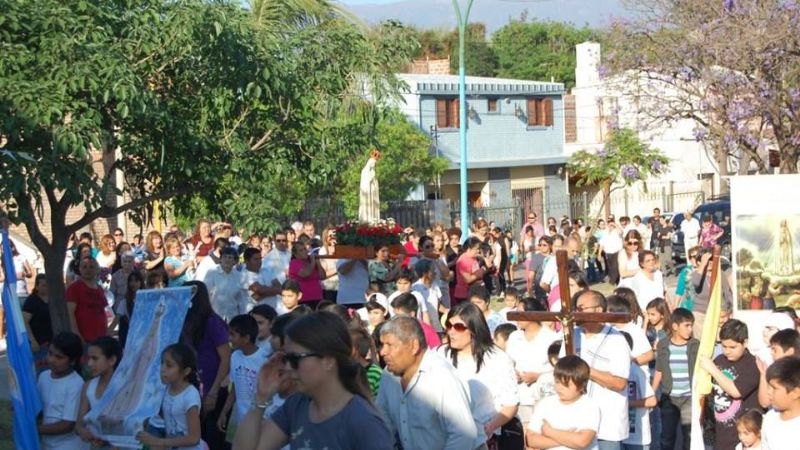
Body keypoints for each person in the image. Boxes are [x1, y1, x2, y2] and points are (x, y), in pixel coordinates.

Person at [233, 312, 394, 450]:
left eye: (295, 359)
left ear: (328, 360)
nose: (287, 367)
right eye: (285, 358)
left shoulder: (363, 421)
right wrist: (261, 397)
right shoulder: (297, 405)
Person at [376, 315, 481, 450]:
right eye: (382, 345)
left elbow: (464, 435)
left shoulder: (441, 377)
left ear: (414, 346)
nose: (383, 352)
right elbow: (383, 423)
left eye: (390, 345)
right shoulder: (388, 375)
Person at [439, 302, 520, 449]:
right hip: (448, 435)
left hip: (485, 435)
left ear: (474, 329)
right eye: (449, 326)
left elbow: (511, 404)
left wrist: (490, 427)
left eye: (458, 327)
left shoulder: (498, 359)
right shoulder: (440, 355)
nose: (451, 332)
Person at [570, 290, 631, 449]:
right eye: (576, 308)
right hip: (576, 422)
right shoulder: (571, 336)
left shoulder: (617, 339)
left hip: (607, 423)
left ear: (598, 310)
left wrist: (585, 370)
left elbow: (619, 383)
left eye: (582, 308)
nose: (577, 312)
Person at [181, 281, 231, 450]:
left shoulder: (212, 322)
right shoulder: (185, 320)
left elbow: (226, 358)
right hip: (193, 387)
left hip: (212, 389)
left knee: (212, 439)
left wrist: (214, 392)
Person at [699, 319, 760, 450]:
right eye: (724, 346)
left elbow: (735, 391)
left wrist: (712, 369)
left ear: (745, 342)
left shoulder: (752, 364)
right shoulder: (719, 360)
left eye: (732, 347)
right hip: (720, 434)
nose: (727, 351)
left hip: (741, 437)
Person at [526, 355, 601, 450]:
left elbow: (582, 441)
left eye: (566, 384)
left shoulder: (590, 406)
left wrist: (549, 432)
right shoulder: (545, 404)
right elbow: (531, 439)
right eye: (557, 382)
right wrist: (568, 438)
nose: (560, 387)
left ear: (582, 385)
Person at [137, 343, 204, 449]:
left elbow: (194, 438)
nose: (162, 369)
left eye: (169, 365)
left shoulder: (190, 396)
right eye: (162, 363)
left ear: (186, 371)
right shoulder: (166, 389)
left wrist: (159, 441)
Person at [505, 298, 559, 425]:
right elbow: (508, 362)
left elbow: (559, 369)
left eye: (520, 313)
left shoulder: (551, 338)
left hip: (544, 395)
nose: (517, 317)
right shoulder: (514, 337)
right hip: (520, 396)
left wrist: (538, 376)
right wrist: (514, 373)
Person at [651, 308, 697, 450]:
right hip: (669, 398)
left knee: (688, 435)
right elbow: (659, 369)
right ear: (675, 326)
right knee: (667, 436)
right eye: (686, 325)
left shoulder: (695, 345)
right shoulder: (663, 345)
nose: (690, 329)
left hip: (689, 397)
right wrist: (652, 392)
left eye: (691, 325)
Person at [218, 315, 270, 439]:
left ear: (246, 338)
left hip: (261, 422)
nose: (229, 338)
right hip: (242, 421)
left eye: (232, 334)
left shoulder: (264, 360)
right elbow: (235, 388)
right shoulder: (235, 356)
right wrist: (224, 412)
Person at [37, 331, 85, 450]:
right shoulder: (43, 376)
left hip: (69, 445)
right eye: (50, 353)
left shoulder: (76, 384)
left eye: (59, 357)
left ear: (72, 361)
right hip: (47, 443)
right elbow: (38, 408)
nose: (51, 359)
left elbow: (68, 424)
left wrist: (34, 430)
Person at [76, 336, 122, 447]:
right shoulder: (88, 386)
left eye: (95, 358)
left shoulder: (124, 387)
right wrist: (84, 433)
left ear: (112, 360)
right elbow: (78, 424)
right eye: (89, 358)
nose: (89, 363)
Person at [761, 356, 800, 450]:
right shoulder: (770, 418)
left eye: (774, 388)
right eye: (768, 386)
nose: (768, 392)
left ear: (795, 393)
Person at [66, 257, 108, 343]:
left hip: (101, 337)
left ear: (97, 269)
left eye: (91, 267)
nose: (88, 270)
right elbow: (70, 313)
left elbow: (103, 311)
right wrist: (77, 335)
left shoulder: (100, 289)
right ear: (79, 269)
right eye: (84, 267)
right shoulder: (74, 288)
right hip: (84, 338)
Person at [205, 246, 249, 321]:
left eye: (230, 257)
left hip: (232, 316)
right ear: (221, 259)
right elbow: (206, 294)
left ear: (235, 261)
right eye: (224, 257)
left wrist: (242, 317)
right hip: (214, 315)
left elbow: (242, 300)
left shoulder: (239, 276)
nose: (227, 260)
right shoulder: (212, 273)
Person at [23, 273, 52, 370]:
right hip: (39, 342)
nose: (46, 287)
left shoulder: (53, 298)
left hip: (52, 340)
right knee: (42, 369)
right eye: (43, 285)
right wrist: (33, 341)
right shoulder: (31, 301)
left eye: (48, 285)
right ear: (37, 286)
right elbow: (25, 321)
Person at [412, 258, 444, 333]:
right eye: (432, 270)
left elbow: (438, 305)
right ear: (425, 273)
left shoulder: (435, 286)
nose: (435, 272)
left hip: (437, 326)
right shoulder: (415, 289)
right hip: (424, 329)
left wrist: (447, 311)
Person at [287, 242, 324, 308]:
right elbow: (306, 274)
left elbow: (322, 276)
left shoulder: (310, 262)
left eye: (304, 249)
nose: (305, 251)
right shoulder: (294, 263)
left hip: (317, 297)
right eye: (301, 250)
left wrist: (317, 262)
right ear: (295, 254)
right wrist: (313, 261)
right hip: (303, 299)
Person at [454, 237, 487, 304]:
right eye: (476, 249)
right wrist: (480, 271)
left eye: (479, 249)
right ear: (469, 249)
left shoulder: (473, 257)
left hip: (474, 292)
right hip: (464, 295)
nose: (478, 251)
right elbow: (468, 279)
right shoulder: (463, 261)